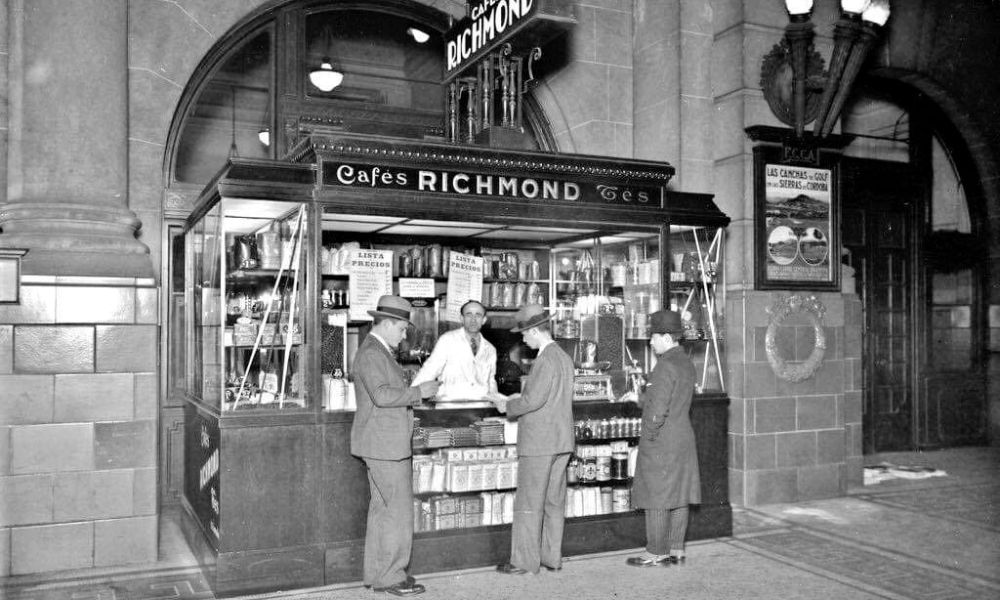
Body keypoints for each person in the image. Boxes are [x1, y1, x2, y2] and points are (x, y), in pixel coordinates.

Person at [351, 295, 440, 596]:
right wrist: (419, 391)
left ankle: (379, 574)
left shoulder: (376, 351)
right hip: (385, 446)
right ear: (387, 324)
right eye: (402, 328)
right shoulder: (374, 353)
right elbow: (382, 396)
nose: (404, 335)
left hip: (382, 444)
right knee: (397, 513)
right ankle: (391, 577)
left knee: (382, 512)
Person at [491, 304, 574, 575]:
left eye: (525, 334)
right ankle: (551, 557)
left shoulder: (545, 359)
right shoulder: (563, 356)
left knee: (529, 502)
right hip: (561, 441)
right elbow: (549, 398)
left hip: (539, 442)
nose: (523, 339)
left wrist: (507, 405)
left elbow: (533, 400)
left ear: (536, 330)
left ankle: (524, 561)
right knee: (553, 502)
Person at [626, 309, 700, 567]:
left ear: (667, 337)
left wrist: (648, 437)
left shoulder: (664, 365)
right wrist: (641, 400)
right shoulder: (685, 362)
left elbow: (657, 412)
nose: (650, 342)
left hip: (662, 441)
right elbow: (671, 398)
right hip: (683, 437)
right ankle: (676, 549)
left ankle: (656, 552)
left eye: (653, 337)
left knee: (656, 494)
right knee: (679, 495)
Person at [411, 299, 498, 401]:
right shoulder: (448, 340)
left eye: (478, 315)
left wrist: (496, 402)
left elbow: (491, 381)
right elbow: (430, 370)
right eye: (468, 315)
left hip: (480, 405)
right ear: (461, 318)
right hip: (449, 406)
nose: (473, 319)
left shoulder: (490, 349)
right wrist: (412, 397)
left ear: (484, 320)